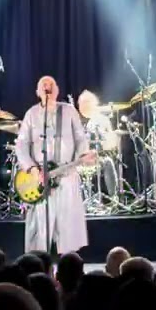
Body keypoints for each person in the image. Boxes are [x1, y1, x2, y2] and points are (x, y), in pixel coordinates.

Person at [15, 76, 95, 254]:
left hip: (66, 175)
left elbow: (80, 138)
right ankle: (39, 263)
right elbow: (21, 145)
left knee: (67, 229)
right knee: (41, 230)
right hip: (40, 179)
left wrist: (83, 156)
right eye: (43, 84)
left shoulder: (69, 110)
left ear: (57, 90)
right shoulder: (31, 114)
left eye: (51, 84)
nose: (47, 87)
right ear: (37, 92)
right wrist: (32, 169)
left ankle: (68, 263)